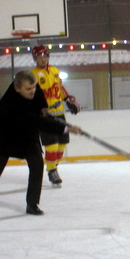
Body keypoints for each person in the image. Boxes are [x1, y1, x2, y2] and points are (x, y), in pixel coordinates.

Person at [0, 71, 82, 218]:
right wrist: (66, 128)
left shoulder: (32, 89)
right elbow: (38, 122)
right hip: (3, 139)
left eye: (34, 87)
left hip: (26, 135)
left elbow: (39, 97)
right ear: (16, 88)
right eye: (28, 89)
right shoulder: (11, 105)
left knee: (37, 165)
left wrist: (43, 107)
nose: (32, 90)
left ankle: (32, 204)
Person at [30, 45, 81, 187]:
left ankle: (54, 166)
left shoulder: (54, 70)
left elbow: (60, 87)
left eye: (45, 56)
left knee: (62, 144)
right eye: (40, 57)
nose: (43, 59)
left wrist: (69, 100)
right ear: (35, 59)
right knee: (51, 145)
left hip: (59, 114)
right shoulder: (32, 75)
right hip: (44, 117)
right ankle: (52, 170)